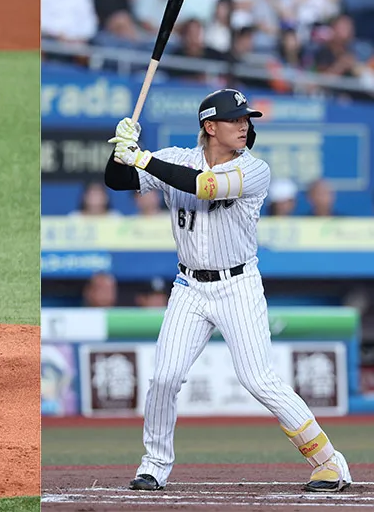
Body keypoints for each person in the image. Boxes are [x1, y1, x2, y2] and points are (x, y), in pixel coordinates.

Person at [104, 88, 352, 493]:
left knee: (259, 379)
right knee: (164, 377)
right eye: (235, 119)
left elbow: (205, 186)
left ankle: (329, 463)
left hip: (238, 284)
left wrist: (144, 157)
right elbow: (117, 181)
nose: (244, 125)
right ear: (209, 127)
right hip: (188, 286)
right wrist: (120, 149)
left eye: (246, 119)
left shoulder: (255, 170)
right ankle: (154, 465)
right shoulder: (176, 157)